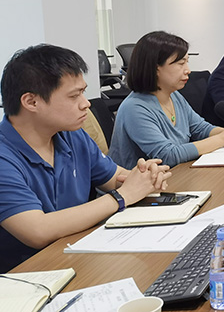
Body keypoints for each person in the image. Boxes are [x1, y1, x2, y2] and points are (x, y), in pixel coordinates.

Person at [0, 44, 171, 271]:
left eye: (83, 92)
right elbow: (38, 231)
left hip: (79, 255)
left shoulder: (71, 135)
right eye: (74, 96)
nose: (86, 103)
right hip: (29, 274)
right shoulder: (4, 155)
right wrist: (121, 197)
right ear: (31, 102)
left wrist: (144, 176)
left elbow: (115, 178)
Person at [110, 31, 224, 169]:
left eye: (187, 62)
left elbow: (200, 128)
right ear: (156, 68)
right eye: (181, 63)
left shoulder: (174, 95)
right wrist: (222, 139)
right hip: (139, 182)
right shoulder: (134, 108)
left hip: (174, 174)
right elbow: (167, 155)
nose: (188, 70)